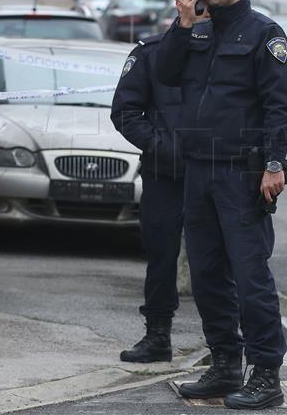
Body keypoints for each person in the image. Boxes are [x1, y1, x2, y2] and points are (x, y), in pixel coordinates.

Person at [156, 0, 287, 410]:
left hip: (241, 171)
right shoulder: (196, 31)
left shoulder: (264, 35)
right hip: (198, 170)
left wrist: (274, 163)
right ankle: (224, 364)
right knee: (207, 275)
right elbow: (166, 74)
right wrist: (182, 25)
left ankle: (266, 374)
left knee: (250, 275)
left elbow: (280, 106)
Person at [110, 30, 185, 363]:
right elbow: (125, 111)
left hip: (216, 171)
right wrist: (162, 148)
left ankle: (226, 347)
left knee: (220, 260)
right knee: (161, 255)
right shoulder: (152, 51)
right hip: (164, 173)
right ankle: (157, 335)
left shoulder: (230, 46)